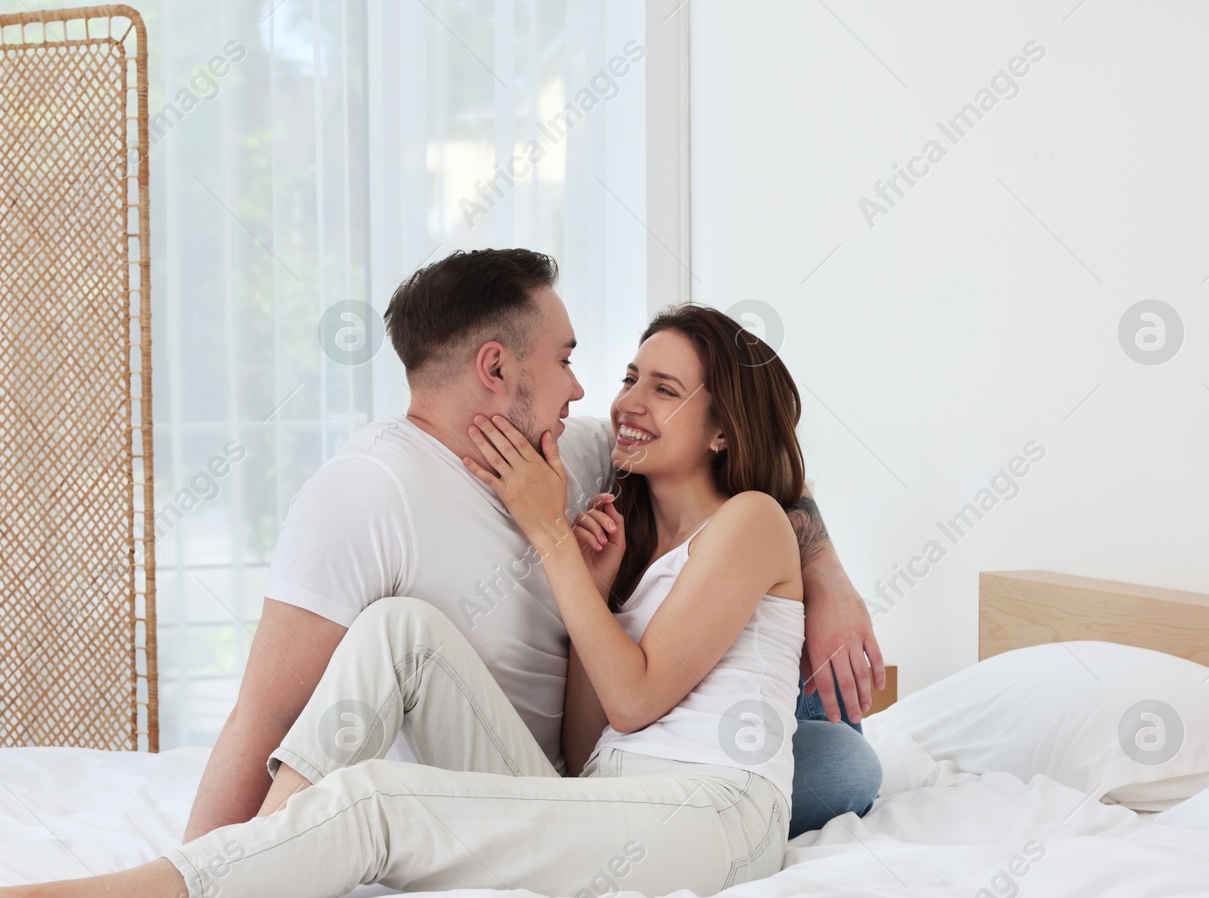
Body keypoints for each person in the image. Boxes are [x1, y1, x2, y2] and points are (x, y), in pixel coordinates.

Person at [0, 303, 831, 898]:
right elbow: (589, 744)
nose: (623, 400)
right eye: (624, 376)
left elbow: (640, 691)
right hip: (618, 800)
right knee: (400, 626)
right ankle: (245, 864)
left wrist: (551, 541)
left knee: (381, 803)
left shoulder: (751, 525)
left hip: (712, 821)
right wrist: (593, 589)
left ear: (722, 427)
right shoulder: (628, 520)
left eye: (664, 388)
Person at [175, 249, 880, 844]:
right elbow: (264, 714)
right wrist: (206, 872)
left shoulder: (573, 448)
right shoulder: (363, 495)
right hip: (554, 772)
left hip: (628, 741)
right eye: (567, 358)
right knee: (845, 764)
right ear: (495, 366)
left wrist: (827, 574)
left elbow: (749, 465)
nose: (586, 387)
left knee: (842, 750)